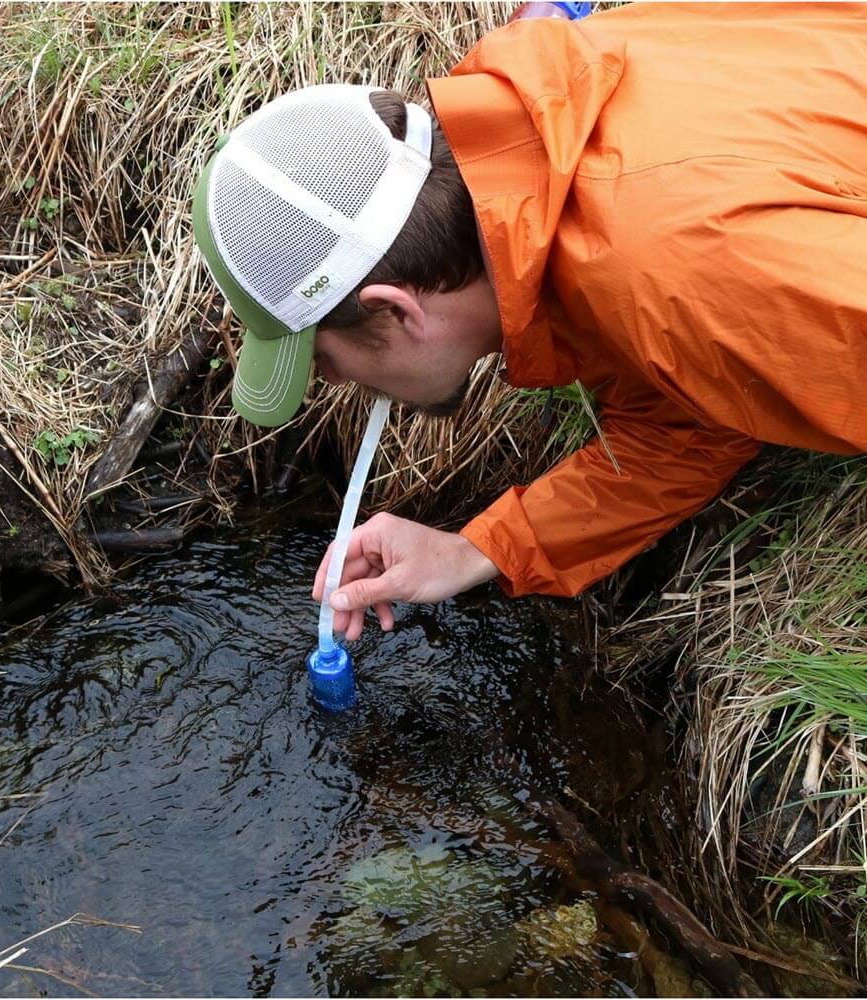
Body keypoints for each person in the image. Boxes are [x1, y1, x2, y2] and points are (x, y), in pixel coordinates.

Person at [193, 3, 866, 643]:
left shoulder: (678, 275)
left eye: (324, 361)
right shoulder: (539, 148)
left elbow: (718, 314)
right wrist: (476, 550)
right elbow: (698, 411)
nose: (336, 382)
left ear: (395, 308)